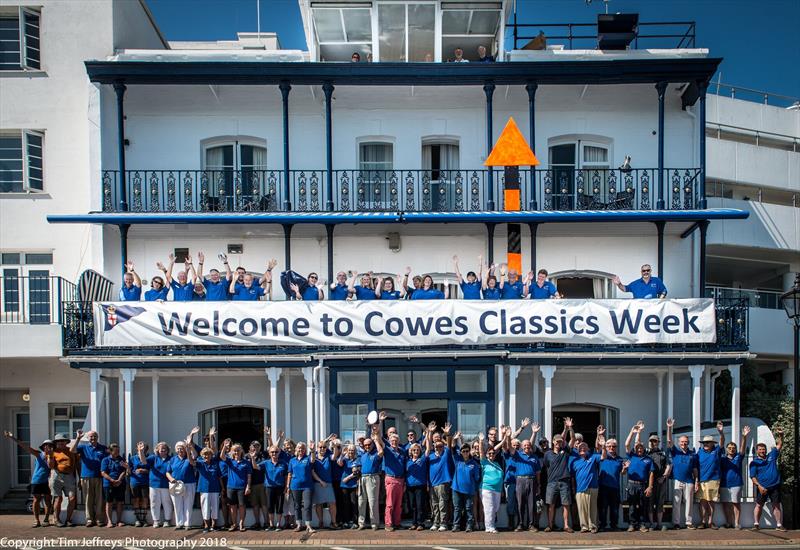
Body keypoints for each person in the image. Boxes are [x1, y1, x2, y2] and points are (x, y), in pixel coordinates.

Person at [4, 431, 53, 527]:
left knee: (48, 500)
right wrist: (12, 437)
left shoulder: (53, 456)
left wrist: (51, 455)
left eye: (50, 445)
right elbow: (25, 447)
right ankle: (36, 520)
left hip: (47, 481)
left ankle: (46, 519)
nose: (48, 447)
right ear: (43, 447)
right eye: (46, 445)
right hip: (37, 480)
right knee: (36, 499)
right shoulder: (39, 454)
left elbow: (51, 466)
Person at [504, 422, 542, 532]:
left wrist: (538, 485)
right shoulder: (518, 454)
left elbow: (538, 472)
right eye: (524, 445)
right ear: (521, 447)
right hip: (519, 480)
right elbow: (509, 447)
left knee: (531, 504)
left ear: (530, 447)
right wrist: (507, 436)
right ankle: (520, 524)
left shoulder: (534, 457)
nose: (526, 446)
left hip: (532, 481)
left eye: (528, 445)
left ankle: (531, 525)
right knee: (520, 503)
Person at [749, 428, 786, 531]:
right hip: (762, 487)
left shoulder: (772, 455)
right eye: (760, 449)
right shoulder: (754, 462)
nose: (762, 451)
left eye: (763, 449)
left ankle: (779, 525)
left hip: (775, 486)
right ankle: (756, 524)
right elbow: (752, 477)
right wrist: (759, 486)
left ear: (766, 450)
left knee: (776, 505)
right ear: (757, 451)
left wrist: (781, 435)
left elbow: (779, 445)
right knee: (759, 505)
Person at [666, 417, 699, 529]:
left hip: (689, 480)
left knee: (689, 502)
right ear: (679, 443)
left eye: (685, 442)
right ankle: (676, 523)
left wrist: (697, 480)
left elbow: (695, 468)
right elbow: (669, 442)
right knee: (676, 502)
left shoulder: (693, 454)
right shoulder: (675, 451)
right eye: (682, 442)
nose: (684, 443)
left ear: (688, 442)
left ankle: (688, 522)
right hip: (677, 480)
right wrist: (669, 428)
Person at [70, 429, 108, 527]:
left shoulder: (103, 448)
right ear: (87, 438)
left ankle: (99, 519)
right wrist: (78, 438)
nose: (93, 438)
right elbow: (72, 450)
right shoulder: (83, 447)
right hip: (86, 476)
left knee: (99, 499)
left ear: (97, 437)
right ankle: (89, 519)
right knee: (88, 499)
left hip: (99, 476)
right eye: (91, 436)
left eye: (95, 436)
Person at [543, 419, 575, 533]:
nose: (558, 443)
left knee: (566, 504)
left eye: (560, 441)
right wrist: (565, 429)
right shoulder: (547, 454)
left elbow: (572, 439)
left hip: (564, 482)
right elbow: (546, 465)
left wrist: (568, 428)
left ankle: (566, 525)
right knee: (550, 505)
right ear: (553, 442)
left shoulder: (565, 451)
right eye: (556, 441)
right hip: (551, 482)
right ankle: (550, 525)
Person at [571, 433, 606, 534]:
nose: (582, 449)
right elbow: (573, 477)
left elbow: (603, 457)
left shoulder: (593, 457)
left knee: (593, 509)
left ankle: (593, 526)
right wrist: (574, 489)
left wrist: (603, 446)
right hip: (579, 489)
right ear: (577, 450)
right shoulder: (575, 461)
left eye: (584, 448)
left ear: (588, 449)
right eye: (580, 448)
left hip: (593, 487)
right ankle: (584, 527)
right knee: (582, 510)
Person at [624, 421, 655, 532]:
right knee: (632, 506)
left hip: (643, 485)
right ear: (635, 449)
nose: (640, 449)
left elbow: (651, 473)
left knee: (643, 506)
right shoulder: (632, 455)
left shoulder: (648, 459)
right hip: (631, 484)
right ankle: (632, 524)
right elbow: (627, 444)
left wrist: (650, 487)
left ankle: (642, 524)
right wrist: (633, 432)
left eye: (641, 448)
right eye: (638, 448)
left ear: (644, 448)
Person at [374, 423, 406, 531]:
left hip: (401, 480)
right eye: (392, 440)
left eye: (396, 440)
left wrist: (404, 481)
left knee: (398, 504)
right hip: (391, 479)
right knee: (390, 504)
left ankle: (397, 523)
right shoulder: (387, 449)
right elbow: (378, 437)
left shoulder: (402, 451)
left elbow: (404, 466)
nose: (394, 442)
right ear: (390, 441)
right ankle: (388, 524)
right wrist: (379, 423)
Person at [696, 421, 725, 529]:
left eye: (708, 442)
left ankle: (710, 522)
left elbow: (722, 442)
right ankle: (703, 522)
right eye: (705, 443)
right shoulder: (699, 452)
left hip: (713, 479)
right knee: (702, 501)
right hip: (701, 480)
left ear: (713, 443)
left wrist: (721, 432)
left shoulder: (717, 451)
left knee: (711, 502)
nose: (706, 444)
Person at [720, 426, 750, 529]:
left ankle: (737, 523)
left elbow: (742, 448)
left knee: (736, 504)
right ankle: (728, 522)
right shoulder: (723, 458)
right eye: (730, 448)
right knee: (726, 504)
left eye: (733, 448)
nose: (732, 450)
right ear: (727, 449)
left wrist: (744, 437)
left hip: (736, 484)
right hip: (724, 484)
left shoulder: (738, 456)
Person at [450, 435, 480, 533]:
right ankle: (456, 525)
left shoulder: (474, 464)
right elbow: (453, 447)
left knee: (468, 508)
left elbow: (477, 478)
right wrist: (455, 438)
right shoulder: (457, 460)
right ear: (461, 452)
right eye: (463, 451)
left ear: (469, 452)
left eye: (467, 451)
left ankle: (469, 525)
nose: (465, 453)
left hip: (469, 490)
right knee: (457, 508)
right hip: (456, 488)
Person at [220, 441, 252, 532]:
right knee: (232, 506)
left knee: (242, 505)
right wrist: (224, 447)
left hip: (242, 487)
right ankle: (234, 524)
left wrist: (248, 487)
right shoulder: (230, 461)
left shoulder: (246, 462)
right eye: (234, 450)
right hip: (231, 487)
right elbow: (222, 457)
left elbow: (249, 476)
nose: (236, 452)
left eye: (238, 450)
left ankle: (241, 523)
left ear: (241, 451)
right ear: (232, 451)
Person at [167, 436, 197, 530]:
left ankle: (187, 524)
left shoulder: (189, 457)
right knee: (177, 504)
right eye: (178, 448)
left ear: (185, 449)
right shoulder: (172, 459)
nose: (180, 450)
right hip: (176, 485)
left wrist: (190, 447)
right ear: (176, 450)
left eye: (182, 448)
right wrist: (171, 478)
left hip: (189, 483)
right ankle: (179, 523)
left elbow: (195, 455)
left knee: (188, 504)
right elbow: (167, 472)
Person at [255, 444, 288, 531]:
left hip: (280, 487)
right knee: (270, 506)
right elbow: (255, 467)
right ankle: (271, 524)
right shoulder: (266, 463)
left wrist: (286, 487)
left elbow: (286, 476)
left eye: (276, 452)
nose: (274, 453)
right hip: (269, 487)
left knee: (279, 506)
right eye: (272, 452)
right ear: (269, 453)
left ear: (279, 452)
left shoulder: (283, 463)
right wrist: (252, 458)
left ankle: (278, 524)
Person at [286, 440, 316, 533]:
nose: (301, 449)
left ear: (305, 450)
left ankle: (308, 525)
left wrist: (312, 450)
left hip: (307, 486)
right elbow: (289, 474)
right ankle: (299, 524)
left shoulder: (308, 458)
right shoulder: (292, 460)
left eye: (303, 448)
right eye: (299, 448)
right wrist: (287, 486)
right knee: (297, 506)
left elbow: (313, 460)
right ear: (296, 449)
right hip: (295, 486)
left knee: (307, 506)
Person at [49, 433, 78, 528]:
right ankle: (56, 519)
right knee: (58, 498)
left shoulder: (71, 450)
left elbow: (76, 464)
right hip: (56, 475)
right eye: (59, 441)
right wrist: (50, 456)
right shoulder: (53, 452)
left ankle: (68, 519)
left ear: (66, 442)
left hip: (69, 476)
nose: (61, 443)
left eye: (63, 441)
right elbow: (51, 466)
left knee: (72, 498)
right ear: (56, 443)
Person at [428, 422, 453, 531]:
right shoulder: (430, 456)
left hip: (443, 482)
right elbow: (428, 445)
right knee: (434, 504)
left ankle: (443, 523)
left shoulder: (446, 453)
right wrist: (430, 432)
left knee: (443, 504)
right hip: (432, 483)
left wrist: (447, 434)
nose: (438, 448)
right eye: (436, 446)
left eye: (440, 446)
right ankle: (436, 522)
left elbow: (448, 445)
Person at [476, 432, 502, 534]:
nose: (491, 455)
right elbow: (481, 452)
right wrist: (481, 441)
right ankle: (489, 527)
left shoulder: (497, 463)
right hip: (486, 488)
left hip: (498, 489)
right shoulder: (484, 462)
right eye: (489, 453)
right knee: (489, 508)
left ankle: (491, 525)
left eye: (493, 453)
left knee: (495, 508)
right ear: (487, 455)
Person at [357, 428, 383, 530]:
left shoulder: (375, 453)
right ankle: (361, 523)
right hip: (362, 478)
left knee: (372, 501)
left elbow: (381, 452)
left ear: (372, 445)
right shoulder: (363, 455)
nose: (367, 446)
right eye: (365, 445)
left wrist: (376, 440)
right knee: (361, 501)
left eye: (369, 444)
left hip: (372, 478)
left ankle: (374, 523)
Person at [311, 436, 339, 529]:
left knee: (332, 503)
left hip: (328, 483)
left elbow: (334, 457)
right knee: (318, 504)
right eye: (320, 447)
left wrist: (334, 446)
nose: (322, 449)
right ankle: (321, 522)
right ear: (317, 448)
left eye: (324, 447)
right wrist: (320, 481)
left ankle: (333, 522)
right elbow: (312, 471)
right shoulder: (313, 455)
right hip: (317, 483)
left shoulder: (328, 455)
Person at [194, 440, 221, 533]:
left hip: (215, 488)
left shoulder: (215, 462)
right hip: (204, 488)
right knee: (205, 507)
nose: (206, 456)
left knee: (215, 507)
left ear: (211, 455)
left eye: (208, 454)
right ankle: (206, 525)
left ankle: (214, 525)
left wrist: (211, 436)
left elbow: (219, 476)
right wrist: (188, 448)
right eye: (205, 454)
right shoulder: (200, 462)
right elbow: (191, 462)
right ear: (202, 455)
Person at [406, 433, 431, 531]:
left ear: (420, 451)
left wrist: (428, 433)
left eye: (417, 450)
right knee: (413, 506)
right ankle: (414, 523)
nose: (416, 451)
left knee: (420, 505)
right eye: (414, 450)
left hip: (420, 485)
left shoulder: (423, 459)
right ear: (411, 451)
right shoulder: (407, 461)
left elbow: (428, 449)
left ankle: (421, 523)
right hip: (410, 486)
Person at [598, 437, 624, 531]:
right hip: (603, 486)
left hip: (615, 487)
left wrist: (624, 469)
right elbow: (601, 451)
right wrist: (603, 445)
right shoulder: (603, 456)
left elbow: (622, 472)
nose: (611, 448)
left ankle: (614, 525)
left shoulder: (620, 459)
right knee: (603, 507)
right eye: (609, 446)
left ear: (616, 447)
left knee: (614, 508)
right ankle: (602, 525)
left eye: (613, 446)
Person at [646, 433, 670, 531]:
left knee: (660, 503)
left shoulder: (663, 453)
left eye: (655, 441)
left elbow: (668, 466)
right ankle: (652, 524)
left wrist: (664, 476)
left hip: (661, 481)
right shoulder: (646, 453)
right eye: (651, 441)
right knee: (650, 503)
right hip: (649, 483)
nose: (653, 443)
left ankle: (659, 524)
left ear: (658, 442)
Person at [100, 443, 127, 528]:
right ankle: (109, 521)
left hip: (120, 483)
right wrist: (112, 480)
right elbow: (103, 472)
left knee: (120, 502)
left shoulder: (121, 459)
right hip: (108, 484)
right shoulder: (105, 460)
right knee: (109, 502)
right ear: (110, 451)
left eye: (118, 451)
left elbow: (124, 470)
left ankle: (119, 520)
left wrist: (119, 480)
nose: (117, 453)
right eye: (115, 451)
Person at [337, 444, 361, 529]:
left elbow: (356, 472)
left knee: (354, 503)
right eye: (349, 450)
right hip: (344, 485)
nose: (351, 452)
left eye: (352, 450)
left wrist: (347, 478)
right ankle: (346, 521)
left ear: (355, 451)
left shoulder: (357, 459)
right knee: (345, 503)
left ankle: (355, 522)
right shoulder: (345, 459)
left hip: (353, 484)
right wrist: (342, 454)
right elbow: (339, 463)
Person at [246, 440, 268, 529]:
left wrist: (269, 437)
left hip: (262, 483)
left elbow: (273, 447)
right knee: (255, 505)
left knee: (264, 504)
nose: (255, 448)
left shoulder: (264, 455)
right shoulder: (246, 456)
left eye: (257, 446)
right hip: (252, 484)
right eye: (254, 446)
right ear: (250, 447)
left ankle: (266, 523)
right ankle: (257, 522)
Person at [129, 442, 150, 527]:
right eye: (140, 446)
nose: (142, 448)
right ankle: (137, 519)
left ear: (146, 449)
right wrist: (127, 469)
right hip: (135, 481)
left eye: (144, 447)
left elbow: (152, 471)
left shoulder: (149, 457)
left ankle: (144, 519)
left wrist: (144, 471)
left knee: (145, 499)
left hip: (145, 481)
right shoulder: (132, 458)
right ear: (137, 447)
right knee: (136, 499)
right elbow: (129, 471)